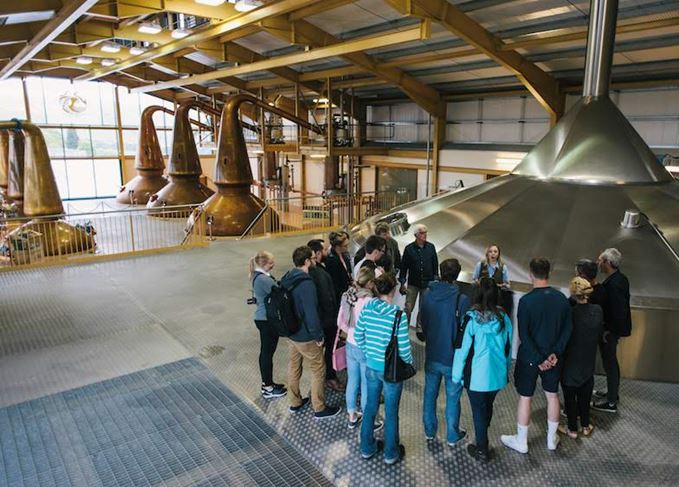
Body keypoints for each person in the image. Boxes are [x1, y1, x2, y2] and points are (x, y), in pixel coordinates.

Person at [501, 258, 572, 454]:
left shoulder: (526, 301)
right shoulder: (561, 299)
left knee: (526, 397)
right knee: (552, 396)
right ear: (549, 273)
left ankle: (521, 441)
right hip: (554, 359)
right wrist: (554, 354)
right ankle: (551, 439)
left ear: (530, 274)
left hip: (530, 358)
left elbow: (524, 334)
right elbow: (567, 330)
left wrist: (539, 358)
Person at [355, 273, 413, 465]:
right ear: (394, 291)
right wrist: (409, 362)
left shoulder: (367, 309)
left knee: (370, 406)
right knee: (391, 411)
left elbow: (359, 335)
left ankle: (366, 447)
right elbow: (404, 349)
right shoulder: (398, 315)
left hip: (371, 367)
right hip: (391, 372)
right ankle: (390, 453)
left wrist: (369, 353)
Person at [453, 278, 513, 463]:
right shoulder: (504, 319)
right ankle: (483, 432)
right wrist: (506, 369)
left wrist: (456, 375)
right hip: (496, 375)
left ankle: (481, 449)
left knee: (478, 411)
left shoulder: (471, 319)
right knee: (487, 406)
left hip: (476, 377)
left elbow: (462, 349)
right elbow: (508, 348)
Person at [281, 246, 341, 419]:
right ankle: (319, 408)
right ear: (307, 261)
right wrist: (318, 336)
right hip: (305, 335)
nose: (315, 260)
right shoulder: (306, 283)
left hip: (291, 333)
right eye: (313, 258)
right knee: (318, 369)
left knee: (294, 366)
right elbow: (311, 313)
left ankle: (295, 401)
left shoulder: (288, 276)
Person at [420, 258, 470, 446]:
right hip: (453, 359)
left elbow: (423, 323)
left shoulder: (427, 294)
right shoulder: (461, 299)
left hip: (432, 353)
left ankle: (429, 431)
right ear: (457, 275)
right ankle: (452, 434)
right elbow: (465, 331)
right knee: (453, 397)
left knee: (430, 394)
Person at [337, 267, 382, 430]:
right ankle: (370, 419)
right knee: (366, 384)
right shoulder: (370, 302)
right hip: (364, 347)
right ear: (370, 283)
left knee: (352, 380)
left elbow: (340, 322)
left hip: (350, 344)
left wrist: (350, 331)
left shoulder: (349, 295)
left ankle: (352, 416)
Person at [559, 277, 603, 439]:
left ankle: (571, 429)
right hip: (588, 361)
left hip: (570, 362)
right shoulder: (598, 311)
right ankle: (585, 425)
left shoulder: (570, 313)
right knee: (585, 395)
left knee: (570, 398)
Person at [592, 248, 632, 414]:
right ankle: (612, 394)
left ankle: (610, 402)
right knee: (610, 363)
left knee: (610, 363)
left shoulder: (614, 284)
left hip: (610, 331)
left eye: (600, 261)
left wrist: (609, 330)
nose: (598, 264)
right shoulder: (620, 279)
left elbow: (618, 311)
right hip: (613, 329)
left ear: (608, 263)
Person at [250, 250, 287, 399]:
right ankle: (268, 387)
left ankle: (269, 383)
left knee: (267, 352)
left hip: (264, 318)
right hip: (266, 320)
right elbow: (279, 292)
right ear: (264, 263)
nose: (273, 265)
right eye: (271, 263)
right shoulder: (263, 280)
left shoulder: (260, 276)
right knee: (266, 353)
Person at [308, 239, 343, 392]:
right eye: (324, 249)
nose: (327, 251)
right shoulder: (317, 273)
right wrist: (335, 319)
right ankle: (329, 377)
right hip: (327, 321)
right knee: (329, 350)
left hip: (321, 319)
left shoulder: (317, 269)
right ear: (316, 253)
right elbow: (326, 297)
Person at [399, 224, 439, 337]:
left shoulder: (431, 247)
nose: (425, 235)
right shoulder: (409, 249)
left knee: (423, 307)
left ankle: (419, 329)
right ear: (416, 235)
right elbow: (404, 267)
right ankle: (403, 328)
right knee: (408, 307)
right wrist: (402, 283)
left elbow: (435, 264)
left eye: (426, 232)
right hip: (413, 283)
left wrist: (435, 279)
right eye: (422, 233)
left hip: (427, 283)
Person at [326, 231, 353, 304]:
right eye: (345, 246)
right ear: (338, 247)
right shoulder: (331, 261)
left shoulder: (344, 255)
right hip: (340, 295)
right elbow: (335, 283)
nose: (347, 248)